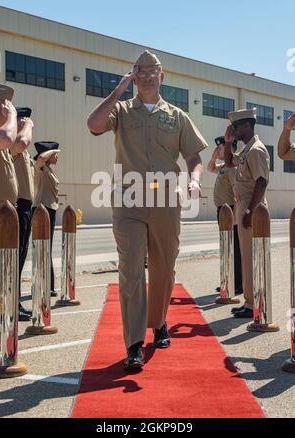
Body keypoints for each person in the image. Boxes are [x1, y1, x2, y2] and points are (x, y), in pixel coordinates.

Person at [87, 50, 208, 371]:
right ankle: (134, 343)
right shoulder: (123, 111)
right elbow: (94, 124)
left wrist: (194, 181)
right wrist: (119, 89)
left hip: (167, 200)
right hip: (129, 200)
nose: (147, 76)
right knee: (130, 268)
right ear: (134, 76)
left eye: (153, 72)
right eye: (140, 72)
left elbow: (195, 158)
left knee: (164, 267)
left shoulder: (178, 116)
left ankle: (160, 320)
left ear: (162, 76)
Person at [224, 108, 269, 318]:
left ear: (247, 126)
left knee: (252, 257)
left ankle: (254, 304)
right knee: (246, 256)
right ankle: (250, 302)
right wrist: (227, 142)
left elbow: (262, 182)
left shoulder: (256, 149)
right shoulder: (246, 150)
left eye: (236, 127)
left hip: (252, 206)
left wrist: (251, 211)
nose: (234, 130)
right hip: (244, 205)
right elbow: (228, 162)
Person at [207, 136, 242, 295]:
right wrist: (213, 157)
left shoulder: (232, 168)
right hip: (222, 212)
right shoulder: (223, 166)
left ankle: (237, 284)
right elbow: (210, 168)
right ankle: (227, 281)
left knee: (234, 250)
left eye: (220, 148)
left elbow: (237, 194)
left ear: (230, 149)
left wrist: (235, 218)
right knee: (226, 248)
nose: (218, 150)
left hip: (230, 212)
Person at [11, 107, 35, 321]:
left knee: (20, 257)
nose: (27, 122)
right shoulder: (12, 142)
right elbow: (22, 142)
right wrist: (26, 126)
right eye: (23, 118)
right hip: (15, 206)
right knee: (13, 258)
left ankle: (14, 301)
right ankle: (10, 304)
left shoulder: (22, 150)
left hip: (25, 206)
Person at [33, 141, 60, 296]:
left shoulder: (50, 170)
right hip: (42, 210)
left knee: (46, 248)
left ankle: (47, 285)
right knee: (42, 248)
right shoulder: (41, 167)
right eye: (55, 153)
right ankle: (44, 285)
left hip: (50, 210)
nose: (57, 156)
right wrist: (50, 152)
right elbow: (41, 159)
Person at [0, 84, 18, 212]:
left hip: (4, 213)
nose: (8, 108)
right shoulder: (2, 137)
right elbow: (6, 138)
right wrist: (12, 115)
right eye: (4, 104)